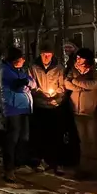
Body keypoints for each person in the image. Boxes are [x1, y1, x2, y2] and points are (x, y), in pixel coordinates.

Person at [28, 41, 66, 174]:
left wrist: (56, 94)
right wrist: (40, 93)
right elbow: (31, 85)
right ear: (40, 54)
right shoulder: (34, 67)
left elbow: (62, 86)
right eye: (44, 55)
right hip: (40, 106)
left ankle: (56, 162)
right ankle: (41, 161)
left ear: (52, 55)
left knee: (55, 136)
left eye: (49, 55)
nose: (46, 57)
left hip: (55, 107)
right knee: (40, 136)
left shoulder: (59, 68)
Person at [0, 46, 36, 182]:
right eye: (21, 58)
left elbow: (32, 82)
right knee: (12, 138)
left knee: (24, 137)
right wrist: (26, 84)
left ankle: (20, 163)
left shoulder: (20, 70)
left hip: (24, 108)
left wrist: (27, 83)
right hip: (13, 108)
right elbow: (18, 85)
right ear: (14, 59)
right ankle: (8, 168)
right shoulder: (5, 71)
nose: (23, 60)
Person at [65, 48, 97, 180]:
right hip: (77, 110)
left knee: (93, 141)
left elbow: (94, 84)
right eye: (77, 57)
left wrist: (75, 82)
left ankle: (94, 169)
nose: (78, 59)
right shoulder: (73, 69)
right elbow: (66, 83)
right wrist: (80, 87)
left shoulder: (96, 70)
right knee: (83, 141)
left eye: (80, 57)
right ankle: (84, 167)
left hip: (91, 111)